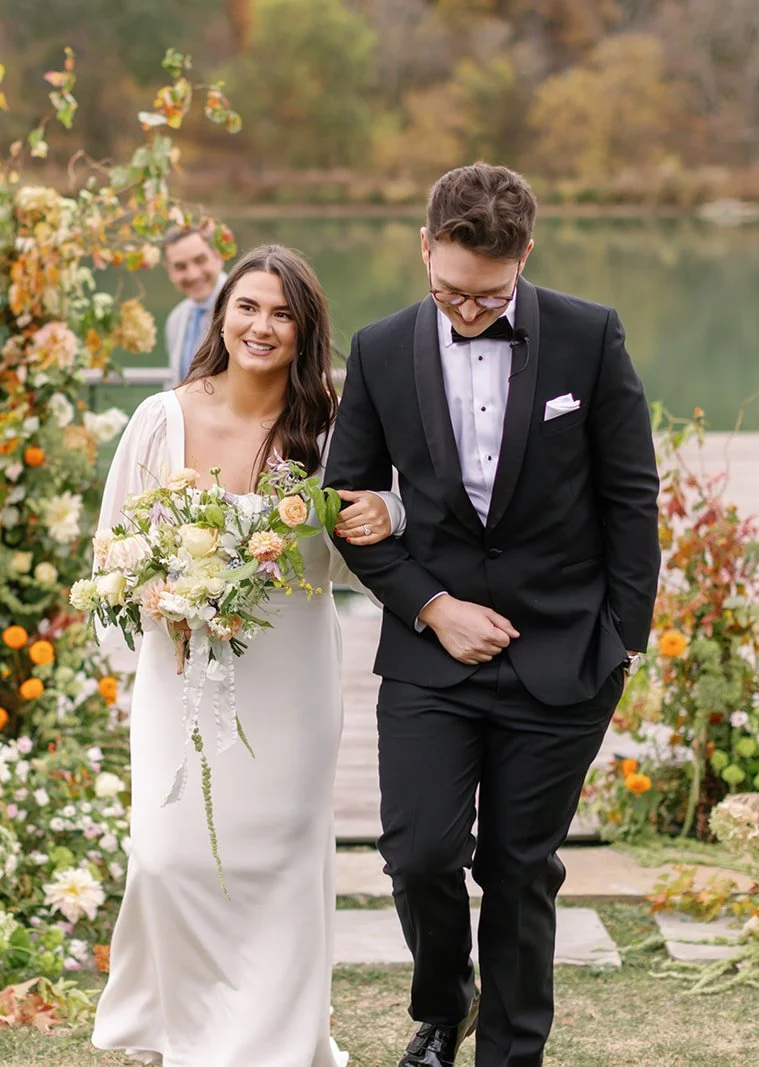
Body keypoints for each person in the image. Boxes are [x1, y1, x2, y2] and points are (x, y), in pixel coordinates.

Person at [325, 163, 661, 1067]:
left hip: (564, 654)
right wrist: (432, 606)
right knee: (418, 852)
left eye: (488, 296)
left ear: (525, 256)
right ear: (424, 246)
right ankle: (446, 1001)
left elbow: (633, 495)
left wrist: (621, 639)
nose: (467, 312)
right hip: (433, 654)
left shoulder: (590, 337)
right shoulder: (383, 348)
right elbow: (345, 501)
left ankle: (509, 1056)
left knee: (520, 869)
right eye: (449, 293)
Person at [90, 244, 402, 1066]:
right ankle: (176, 1023)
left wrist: (386, 516)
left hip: (289, 675)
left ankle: (273, 1042)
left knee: (276, 861)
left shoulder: (331, 428)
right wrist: (163, 599)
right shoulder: (161, 418)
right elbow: (113, 550)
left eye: (283, 314)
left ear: (305, 331)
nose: (262, 326)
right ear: (220, 314)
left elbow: (368, 538)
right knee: (165, 853)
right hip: (180, 669)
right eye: (248, 307)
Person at [161, 225, 227, 382]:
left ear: (218, 257)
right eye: (180, 267)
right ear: (169, 273)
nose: (193, 274)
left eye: (200, 260)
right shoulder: (176, 319)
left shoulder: (244, 308)